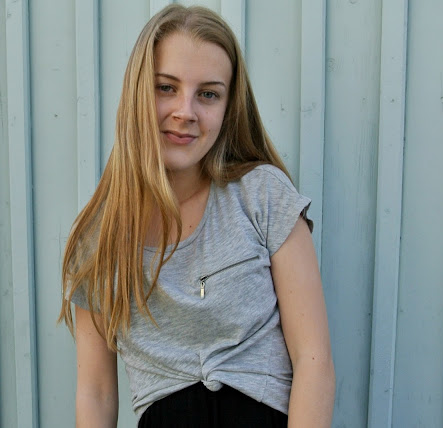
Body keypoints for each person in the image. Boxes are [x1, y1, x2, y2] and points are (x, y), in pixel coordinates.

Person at [59, 5, 335, 427]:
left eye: (208, 94)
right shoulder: (100, 239)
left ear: (228, 107)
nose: (185, 111)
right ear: (137, 93)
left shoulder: (263, 196)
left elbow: (314, 360)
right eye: (166, 87)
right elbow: (95, 393)